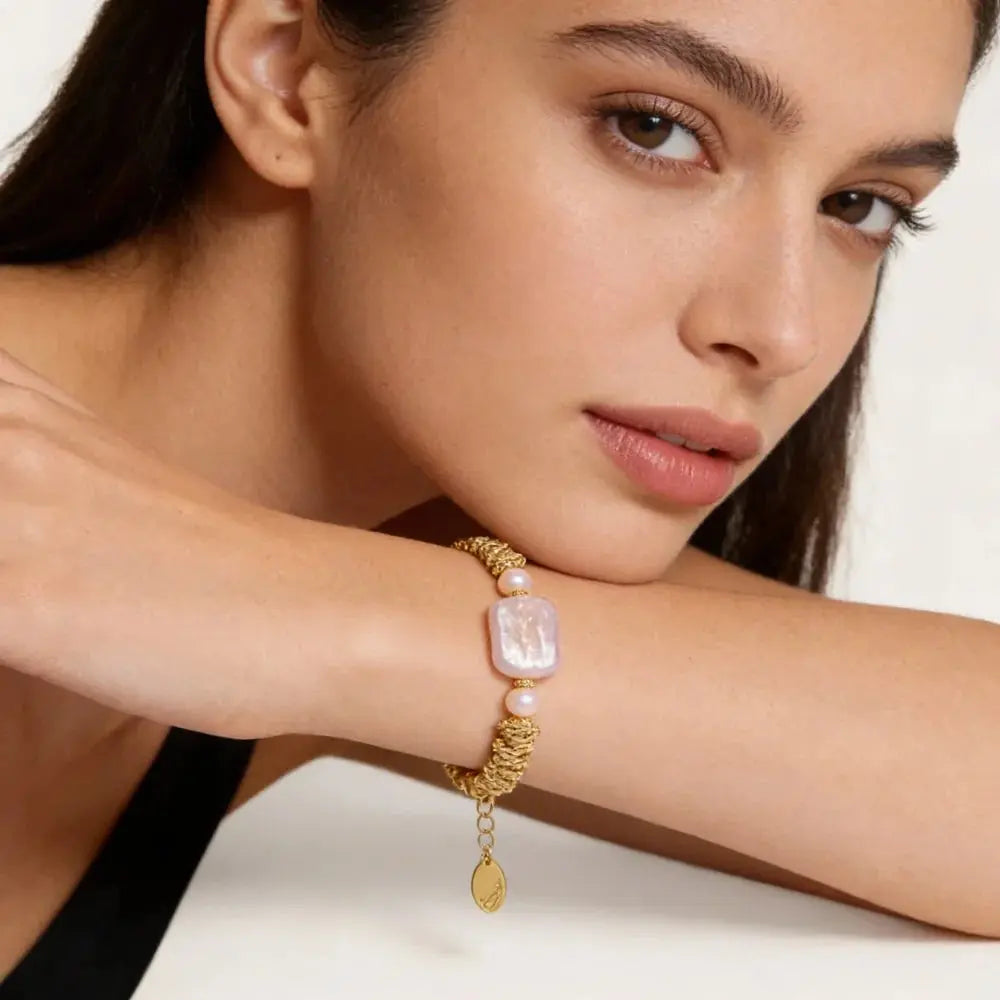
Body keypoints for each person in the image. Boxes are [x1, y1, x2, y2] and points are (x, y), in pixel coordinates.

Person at [0, 0, 998, 990]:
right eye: (653, 127)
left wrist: (331, 616)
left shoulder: (338, 581)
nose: (781, 329)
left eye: (860, 204)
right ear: (286, 69)